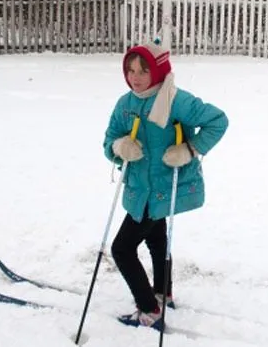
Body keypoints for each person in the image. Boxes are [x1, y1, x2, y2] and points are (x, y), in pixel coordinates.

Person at [103, 41, 228, 331]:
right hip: (139, 188)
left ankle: (149, 309)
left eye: (144, 71)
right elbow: (109, 139)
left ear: (158, 71)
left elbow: (218, 121)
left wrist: (190, 149)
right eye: (131, 70)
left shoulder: (176, 100)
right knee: (157, 239)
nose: (135, 77)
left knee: (122, 249)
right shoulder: (126, 103)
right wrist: (120, 146)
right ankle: (163, 293)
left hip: (160, 189)